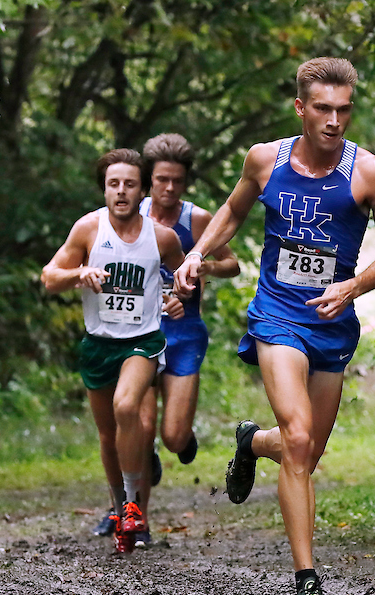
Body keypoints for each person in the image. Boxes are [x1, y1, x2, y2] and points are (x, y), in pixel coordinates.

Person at [174, 57, 375, 595]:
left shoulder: (370, 174)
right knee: (299, 436)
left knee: (306, 451)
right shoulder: (265, 159)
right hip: (277, 313)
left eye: (343, 109)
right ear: (301, 107)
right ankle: (307, 579)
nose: (334, 120)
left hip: (331, 320)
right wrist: (196, 254)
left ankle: (252, 442)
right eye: (322, 108)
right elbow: (231, 213)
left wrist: (351, 286)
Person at [42, 149, 185, 553]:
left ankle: (134, 507)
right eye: (113, 184)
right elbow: (50, 277)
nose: (121, 192)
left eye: (129, 184)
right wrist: (78, 272)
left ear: (142, 190)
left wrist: (178, 298)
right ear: (105, 188)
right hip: (98, 343)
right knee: (108, 435)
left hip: (142, 341)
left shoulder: (161, 236)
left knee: (127, 407)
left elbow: (184, 276)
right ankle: (121, 509)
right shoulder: (88, 229)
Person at [116, 134, 239, 543]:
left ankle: (182, 439)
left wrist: (205, 268)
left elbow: (232, 264)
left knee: (171, 436)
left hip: (185, 333)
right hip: (142, 330)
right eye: (162, 180)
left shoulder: (197, 219)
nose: (170, 189)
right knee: (140, 423)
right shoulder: (131, 216)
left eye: (178, 181)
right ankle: (138, 520)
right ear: (149, 179)